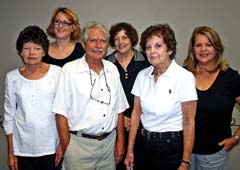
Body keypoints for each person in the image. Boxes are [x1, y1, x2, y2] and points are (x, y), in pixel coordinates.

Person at [52, 21, 129, 170]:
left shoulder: (112, 69)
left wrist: (120, 141)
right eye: (93, 40)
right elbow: (60, 113)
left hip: (108, 145)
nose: (98, 45)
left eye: (103, 41)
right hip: (79, 146)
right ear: (84, 44)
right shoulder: (70, 70)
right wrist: (67, 147)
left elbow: (119, 109)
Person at [124, 24, 198, 170]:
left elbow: (189, 122)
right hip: (143, 144)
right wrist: (130, 150)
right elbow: (136, 114)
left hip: (170, 147)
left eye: (158, 46)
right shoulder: (142, 75)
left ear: (169, 49)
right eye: (148, 47)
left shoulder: (184, 77)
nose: (152, 51)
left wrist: (185, 161)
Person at [2, 25, 62, 170]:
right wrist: (11, 152)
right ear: (20, 52)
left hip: (51, 147)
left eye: (37, 48)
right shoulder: (12, 78)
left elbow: (65, 112)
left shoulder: (57, 73)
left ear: (44, 52)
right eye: (27, 48)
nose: (31, 53)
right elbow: (9, 116)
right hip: (22, 148)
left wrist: (62, 144)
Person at [183, 26, 240, 170]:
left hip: (214, 155)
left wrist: (236, 138)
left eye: (208, 45)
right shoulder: (183, 75)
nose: (203, 49)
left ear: (217, 48)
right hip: (183, 153)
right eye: (198, 45)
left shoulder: (230, 77)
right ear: (192, 49)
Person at [106, 22, 149, 170]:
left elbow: (151, 92)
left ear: (131, 39)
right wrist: (121, 117)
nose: (120, 42)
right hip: (115, 123)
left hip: (142, 123)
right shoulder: (106, 63)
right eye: (116, 38)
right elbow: (104, 96)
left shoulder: (146, 61)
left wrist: (137, 117)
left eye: (124, 37)